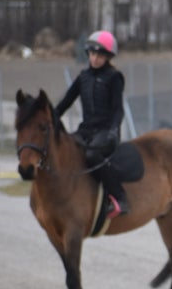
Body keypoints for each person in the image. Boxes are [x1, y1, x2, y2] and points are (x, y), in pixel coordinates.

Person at [54, 30, 130, 219]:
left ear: (108, 57)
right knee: (66, 149)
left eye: (100, 55)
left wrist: (114, 130)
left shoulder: (114, 77)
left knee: (92, 155)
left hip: (106, 132)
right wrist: (51, 118)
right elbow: (65, 103)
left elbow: (118, 110)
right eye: (92, 54)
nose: (95, 59)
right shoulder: (83, 77)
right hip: (86, 130)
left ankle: (119, 197)